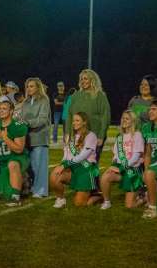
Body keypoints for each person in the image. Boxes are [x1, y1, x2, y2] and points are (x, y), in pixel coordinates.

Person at [65, 69, 111, 204]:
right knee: (78, 161)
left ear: (93, 80)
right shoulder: (75, 96)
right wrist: (68, 133)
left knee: (92, 163)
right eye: (82, 79)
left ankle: (94, 190)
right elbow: (69, 115)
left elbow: (105, 116)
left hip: (94, 135)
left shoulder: (100, 96)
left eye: (86, 78)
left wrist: (101, 135)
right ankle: (82, 186)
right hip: (77, 135)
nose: (83, 81)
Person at [50, 112, 98, 208]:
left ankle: (97, 196)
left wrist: (65, 165)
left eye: (77, 120)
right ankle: (61, 199)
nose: (74, 123)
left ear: (84, 122)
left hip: (85, 170)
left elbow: (83, 156)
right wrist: (62, 165)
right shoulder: (70, 136)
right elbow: (66, 155)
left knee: (79, 204)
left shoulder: (91, 136)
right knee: (54, 175)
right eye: (73, 120)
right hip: (72, 168)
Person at [0, 101, 29, 206]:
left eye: (4, 108)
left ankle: (16, 198)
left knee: (12, 164)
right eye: (0, 108)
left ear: (11, 111)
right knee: (3, 193)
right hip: (2, 161)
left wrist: (5, 138)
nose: (1, 110)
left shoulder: (17, 125)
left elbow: (19, 149)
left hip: (18, 158)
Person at [100, 110, 145, 209]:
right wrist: (114, 164)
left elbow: (136, 157)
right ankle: (107, 201)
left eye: (127, 119)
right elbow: (116, 155)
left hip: (132, 170)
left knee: (130, 206)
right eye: (123, 118)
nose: (124, 120)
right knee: (105, 177)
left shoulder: (137, 135)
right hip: (120, 167)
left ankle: (143, 198)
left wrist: (121, 168)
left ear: (133, 121)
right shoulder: (119, 137)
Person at [19, 77, 51, 198]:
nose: (29, 88)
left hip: (40, 136)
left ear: (38, 87)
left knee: (39, 166)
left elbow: (43, 119)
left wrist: (27, 123)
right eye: (27, 86)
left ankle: (41, 190)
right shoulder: (26, 102)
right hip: (28, 138)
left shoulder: (44, 100)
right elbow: (22, 118)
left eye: (32, 86)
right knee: (31, 165)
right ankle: (34, 187)